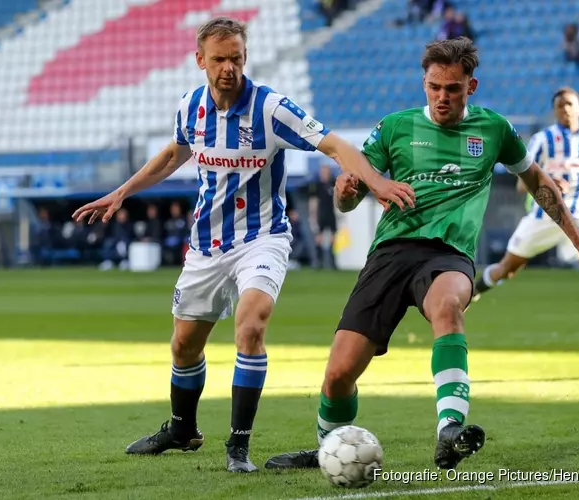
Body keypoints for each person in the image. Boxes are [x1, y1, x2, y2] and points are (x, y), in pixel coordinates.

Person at [264, 37, 579, 472]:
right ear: (425, 83)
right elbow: (352, 194)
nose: (442, 97)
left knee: (450, 304)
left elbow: (538, 181)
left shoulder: (494, 129)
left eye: (452, 89)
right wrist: (345, 193)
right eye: (434, 87)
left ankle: (450, 430)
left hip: (450, 253)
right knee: (339, 373)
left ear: (470, 87)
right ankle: (326, 448)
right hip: (392, 253)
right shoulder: (395, 127)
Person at [72, 16, 414, 473]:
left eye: (235, 58)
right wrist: (121, 193)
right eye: (219, 59)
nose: (228, 67)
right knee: (183, 346)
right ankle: (182, 428)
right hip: (206, 245)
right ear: (200, 61)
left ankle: (238, 446)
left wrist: (376, 182)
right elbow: (175, 152)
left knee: (251, 327)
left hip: (262, 238)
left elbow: (333, 145)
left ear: (245, 57)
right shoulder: (190, 107)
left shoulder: (271, 109)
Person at [472, 87, 579, 356]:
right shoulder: (542, 140)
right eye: (559, 106)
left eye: (569, 104)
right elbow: (522, 184)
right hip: (543, 217)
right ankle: (473, 290)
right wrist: (546, 183)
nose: (565, 109)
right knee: (507, 269)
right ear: (554, 110)